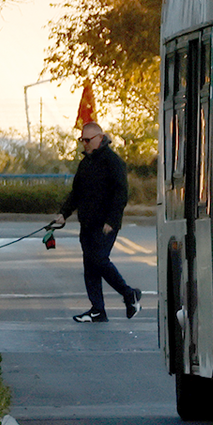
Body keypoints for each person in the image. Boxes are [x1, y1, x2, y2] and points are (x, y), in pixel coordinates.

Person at [56, 122, 141, 323]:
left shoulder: (112, 162)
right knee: (90, 266)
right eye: (82, 140)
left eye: (87, 140)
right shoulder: (85, 164)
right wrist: (63, 214)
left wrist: (112, 220)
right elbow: (76, 193)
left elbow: (121, 193)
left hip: (105, 225)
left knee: (100, 260)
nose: (84, 144)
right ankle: (97, 310)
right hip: (87, 223)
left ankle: (129, 294)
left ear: (100, 138)